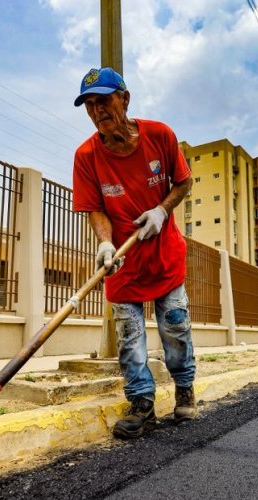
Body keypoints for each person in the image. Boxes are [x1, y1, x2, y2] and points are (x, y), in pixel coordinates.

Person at [71, 67, 196, 439]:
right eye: (89, 105)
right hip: (123, 264)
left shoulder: (159, 135)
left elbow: (184, 181)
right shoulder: (86, 156)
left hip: (164, 256)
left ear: (124, 98)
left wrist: (162, 209)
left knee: (175, 327)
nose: (97, 111)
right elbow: (96, 209)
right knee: (130, 337)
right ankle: (142, 403)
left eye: (103, 100)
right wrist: (105, 243)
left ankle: (185, 387)